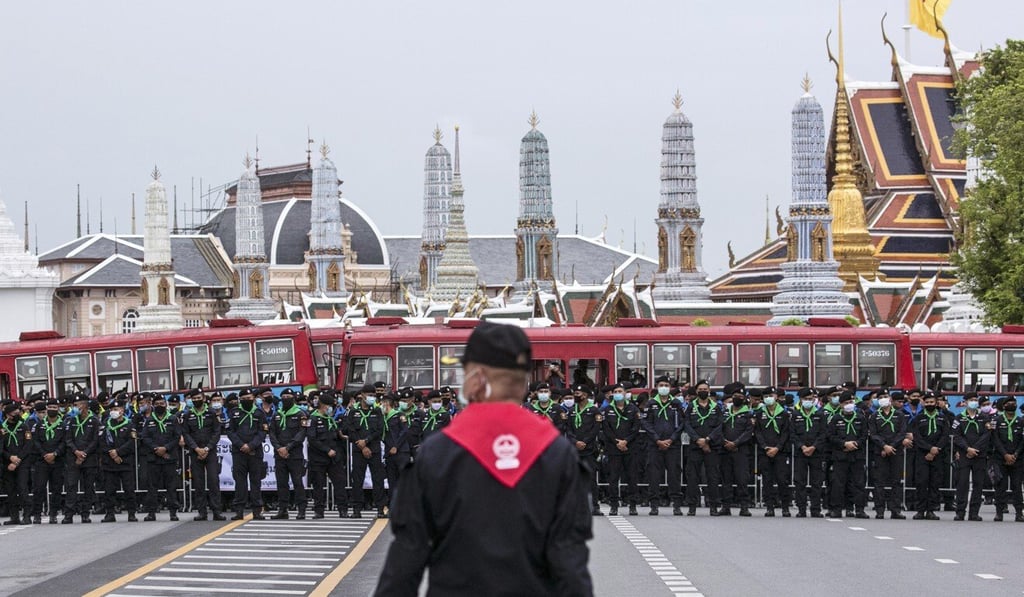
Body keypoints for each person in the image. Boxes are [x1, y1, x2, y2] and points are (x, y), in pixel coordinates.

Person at [374, 321, 593, 597]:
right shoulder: (558, 455)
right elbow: (571, 567)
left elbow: (405, 563)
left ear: (476, 378)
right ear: (523, 380)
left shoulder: (437, 453)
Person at [642, 376, 684, 516]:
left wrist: (671, 439)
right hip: (655, 445)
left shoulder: (676, 403)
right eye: (661, 385)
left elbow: (682, 423)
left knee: (674, 474)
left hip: (673, 445)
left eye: (666, 384)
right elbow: (646, 423)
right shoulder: (651, 403)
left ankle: (676, 505)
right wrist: (657, 439)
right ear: (657, 387)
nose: (664, 387)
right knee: (654, 475)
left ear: (670, 387)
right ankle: (654, 504)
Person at [181, 389, 224, 521]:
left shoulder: (212, 413)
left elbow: (217, 432)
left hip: (209, 452)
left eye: (198, 397)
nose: (196, 400)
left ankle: (216, 511)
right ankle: (202, 511)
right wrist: (196, 448)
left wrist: (207, 448)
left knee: (213, 481)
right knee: (198, 483)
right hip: (195, 453)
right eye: (193, 399)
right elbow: (186, 434)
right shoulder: (188, 415)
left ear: (204, 398)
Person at [683, 380, 723, 516]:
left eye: (705, 389)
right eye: (700, 389)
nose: (703, 391)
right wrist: (697, 439)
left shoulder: (716, 407)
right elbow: (687, 424)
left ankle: (713, 506)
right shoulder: (690, 407)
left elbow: (719, 426)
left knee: (712, 477)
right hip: (695, 446)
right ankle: (692, 506)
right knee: (692, 477)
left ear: (709, 390)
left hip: (711, 447)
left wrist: (707, 440)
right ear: (696, 391)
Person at [307, 390, 349, 519]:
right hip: (319, 457)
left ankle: (343, 509)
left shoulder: (330, 419)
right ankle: (319, 510)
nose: (331, 409)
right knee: (318, 485)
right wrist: (326, 450)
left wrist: (341, 435)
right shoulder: (313, 418)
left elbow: (335, 433)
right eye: (329, 406)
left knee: (340, 483)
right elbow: (312, 439)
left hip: (334, 458)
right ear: (322, 405)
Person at [226, 388, 267, 520]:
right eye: (243, 399)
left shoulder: (259, 413)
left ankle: (257, 510)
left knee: (256, 481)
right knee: (240, 482)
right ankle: (239, 511)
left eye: (249, 399)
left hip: (255, 452)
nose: (247, 401)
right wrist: (241, 445)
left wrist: (251, 445)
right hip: (239, 452)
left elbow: (263, 432)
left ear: (253, 399)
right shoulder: (234, 412)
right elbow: (230, 431)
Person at [346, 384, 386, 519]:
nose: (371, 397)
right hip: (358, 450)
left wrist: (367, 441)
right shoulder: (353, 412)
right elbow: (350, 430)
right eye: (369, 395)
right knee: (357, 479)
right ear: (362, 395)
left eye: (373, 395)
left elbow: (379, 430)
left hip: (374, 449)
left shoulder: (377, 411)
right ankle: (357, 509)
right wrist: (362, 445)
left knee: (378, 479)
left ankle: (380, 508)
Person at [826, 392, 869, 519]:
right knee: (838, 484)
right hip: (840, 455)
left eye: (851, 402)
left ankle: (860, 509)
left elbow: (864, 434)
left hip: (857, 454)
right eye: (846, 403)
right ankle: (837, 509)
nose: (849, 405)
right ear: (841, 405)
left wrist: (855, 443)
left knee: (858, 483)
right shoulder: (835, 419)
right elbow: (830, 436)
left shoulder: (860, 417)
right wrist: (844, 444)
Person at [141, 395, 182, 521]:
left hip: (169, 457)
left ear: (166, 404)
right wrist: (156, 449)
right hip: (154, 458)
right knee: (152, 486)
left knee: (171, 486)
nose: (160, 405)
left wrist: (165, 448)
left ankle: (173, 512)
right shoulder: (149, 420)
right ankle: (151, 512)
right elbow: (145, 437)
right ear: (153, 405)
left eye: (162, 403)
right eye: (157, 403)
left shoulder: (172, 418)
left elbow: (176, 436)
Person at [270, 388, 309, 520]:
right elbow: (272, 433)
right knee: (282, 483)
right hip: (279, 454)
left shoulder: (301, 414)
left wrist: (288, 447)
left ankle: (301, 509)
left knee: (297, 482)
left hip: (294, 454)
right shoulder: (277, 414)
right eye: (284, 396)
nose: (286, 398)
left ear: (293, 398)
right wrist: (279, 448)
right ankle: (283, 509)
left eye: (288, 396)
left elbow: (302, 433)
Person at [602, 382, 640, 516]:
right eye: (616, 392)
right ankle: (614, 505)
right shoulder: (607, 410)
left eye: (620, 391)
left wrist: (626, 441)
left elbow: (636, 428)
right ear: (612, 394)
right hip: (614, 448)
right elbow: (606, 429)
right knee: (613, 478)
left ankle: (633, 505)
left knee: (632, 477)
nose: (618, 394)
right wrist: (617, 442)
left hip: (630, 447)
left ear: (625, 393)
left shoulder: (633, 409)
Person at [911, 391, 950, 520]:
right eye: (927, 402)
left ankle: (931, 510)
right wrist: (929, 449)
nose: (929, 404)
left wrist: (936, 449)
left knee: (935, 483)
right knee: (921, 482)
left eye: (931, 402)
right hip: (922, 455)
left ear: (936, 403)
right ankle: (920, 510)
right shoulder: (918, 418)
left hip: (937, 455)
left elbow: (945, 436)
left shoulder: (942, 418)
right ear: (923, 403)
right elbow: (917, 436)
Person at [63, 393, 101, 524]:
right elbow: (68, 439)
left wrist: (84, 453)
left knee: (88, 487)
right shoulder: (71, 420)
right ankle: (69, 514)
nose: (74, 408)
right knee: (71, 486)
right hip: (73, 458)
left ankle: (85, 513)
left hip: (89, 459)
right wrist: (76, 451)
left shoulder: (94, 420)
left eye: (76, 405)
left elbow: (95, 440)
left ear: (84, 405)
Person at [868, 391, 907, 519]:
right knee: (879, 482)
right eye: (880, 397)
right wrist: (884, 446)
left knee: (896, 481)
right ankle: (880, 510)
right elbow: (873, 434)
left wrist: (891, 446)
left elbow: (901, 433)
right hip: (880, 452)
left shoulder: (899, 415)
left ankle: (895, 509)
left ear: (890, 399)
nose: (883, 399)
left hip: (896, 451)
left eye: (885, 397)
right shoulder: (874, 416)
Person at [951, 393, 989, 521]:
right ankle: (960, 511)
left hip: (979, 455)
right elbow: (956, 436)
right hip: (964, 454)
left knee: (978, 484)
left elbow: (986, 435)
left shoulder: (984, 418)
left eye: (975, 400)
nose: (974, 402)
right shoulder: (959, 418)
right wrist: (967, 448)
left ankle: (974, 512)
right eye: (971, 400)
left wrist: (975, 449)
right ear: (965, 402)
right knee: (962, 483)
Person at [99, 399, 138, 522]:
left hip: (125, 462)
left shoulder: (130, 425)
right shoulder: (105, 424)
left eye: (116, 409)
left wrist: (118, 452)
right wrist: (112, 454)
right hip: (109, 463)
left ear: (122, 410)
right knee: (109, 490)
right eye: (111, 410)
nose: (113, 412)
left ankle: (131, 513)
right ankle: (110, 513)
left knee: (129, 489)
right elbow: (101, 442)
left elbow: (132, 442)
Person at [754, 387, 791, 517]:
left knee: (782, 480)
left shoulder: (784, 413)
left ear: (776, 396)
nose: (768, 398)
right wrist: (765, 447)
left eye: (771, 395)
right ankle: (769, 507)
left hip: (780, 452)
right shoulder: (759, 413)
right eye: (766, 396)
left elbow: (786, 432)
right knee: (767, 480)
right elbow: (757, 432)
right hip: (765, 451)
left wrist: (778, 447)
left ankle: (785, 507)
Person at [719, 383, 754, 517]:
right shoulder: (725, 412)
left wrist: (736, 443)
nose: (737, 398)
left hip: (741, 450)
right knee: (726, 479)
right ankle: (725, 506)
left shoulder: (748, 414)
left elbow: (748, 431)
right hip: (725, 449)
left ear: (744, 398)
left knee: (742, 479)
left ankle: (744, 506)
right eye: (735, 396)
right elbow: (719, 428)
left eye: (740, 396)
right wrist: (724, 441)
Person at [31, 399, 66, 524]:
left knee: (56, 488)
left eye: (55, 407)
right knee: (39, 488)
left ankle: (53, 514)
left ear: (58, 409)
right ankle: (37, 514)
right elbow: (35, 442)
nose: (52, 409)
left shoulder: (63, 425)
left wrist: (55, 454)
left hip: (57, 460)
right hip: (42, 460)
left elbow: (65, 442)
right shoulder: (39, 425)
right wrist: (45, 454)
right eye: (50, 407)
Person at [992, 397, 1024, 522]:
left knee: (1017, 486)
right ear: (1004, 406)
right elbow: (995, 439)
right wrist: (1005, 454)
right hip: (1000, 458)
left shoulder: (1021, 421)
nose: (1011, 405)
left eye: (1014, 403)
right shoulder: (997, 421)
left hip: (1018, 459)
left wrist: (1015, 454)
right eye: (1008, 403)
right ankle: (999, 512)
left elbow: (1022, 441)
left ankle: (1019, 513)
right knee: (1000, 486)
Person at [1, 402, 33, 525]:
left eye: (17, 412)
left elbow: (28, 445)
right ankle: (14, 516)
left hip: (22, 463)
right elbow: (1, 447)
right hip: (7, 463)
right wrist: (10, 458)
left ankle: (27, 515)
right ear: (8, 415)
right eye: (13, 413)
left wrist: (17, 459)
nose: (16, 415)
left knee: (23, 488)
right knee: (11, 491)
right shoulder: (2, 428)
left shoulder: (24, 427)